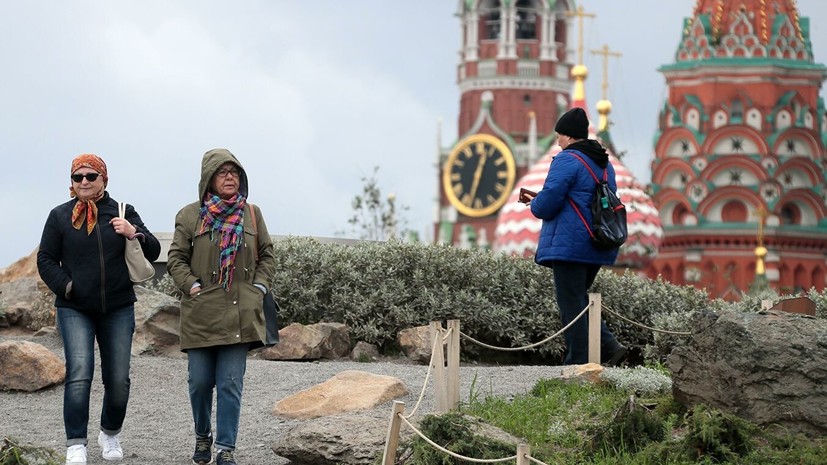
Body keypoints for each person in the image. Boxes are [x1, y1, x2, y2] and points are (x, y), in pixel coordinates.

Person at [37, 153, 161, 465]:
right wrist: (68, 286)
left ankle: (110, 432)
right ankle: (76, 442)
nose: (84, 182)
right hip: (74, 308)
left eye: (91, 176)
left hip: (118, 307)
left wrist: (133, 232)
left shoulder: (123, 211)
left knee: (118, 379)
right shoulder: (59, 216)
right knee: (79, 373)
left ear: (104, 179)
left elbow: (155, 250)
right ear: (72, 182)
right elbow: (46, 259)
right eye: (78, 177)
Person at [167, 148, 275, 465]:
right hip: (202, 311)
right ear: (208, 180)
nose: (230, 177)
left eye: (234, 172)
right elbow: (175, 259)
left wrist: (259, 286)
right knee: (200, 382)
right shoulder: (190, 215)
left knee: (230, 383)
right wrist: (192, 285)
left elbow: (267, 255)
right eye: (222, 172)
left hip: (241, 311)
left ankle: (225, 448)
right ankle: (203, 435)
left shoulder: (251, 214)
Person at [520, 108, 627, 366]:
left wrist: (534, 205)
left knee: (571, 303)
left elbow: (549, 200)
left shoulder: (567, 160)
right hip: (599, 241)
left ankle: (577, 361)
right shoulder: (604, 164)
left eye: (559, 136)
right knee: (579, 298)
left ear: (568, 136)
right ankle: (610, 347)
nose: (557, 141)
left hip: (570, 245)